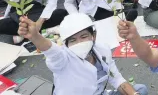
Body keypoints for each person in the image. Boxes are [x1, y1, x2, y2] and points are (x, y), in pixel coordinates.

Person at [17, 13, 148, 95]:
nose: (79, 42)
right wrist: (35, 36)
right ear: (66, 44)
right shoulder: (62, 59)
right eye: (73, 40)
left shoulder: (102, 50)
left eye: (84, 36)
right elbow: (51, 51)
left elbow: (116, 79)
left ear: (93, 36)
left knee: (140, 90)